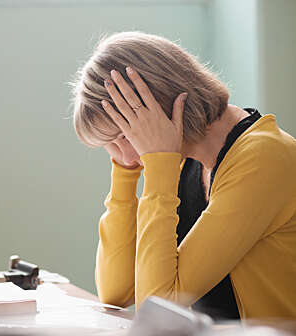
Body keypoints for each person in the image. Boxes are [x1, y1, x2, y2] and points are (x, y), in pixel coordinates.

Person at [71, 31, 296, 320]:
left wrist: (158, 163)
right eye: (110, 147)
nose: (126, 157)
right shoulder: (181, 159)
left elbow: (158, 307)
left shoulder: (264, 157)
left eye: (124, 136)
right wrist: (125, 176)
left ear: (160, 104)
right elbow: (117, 292)